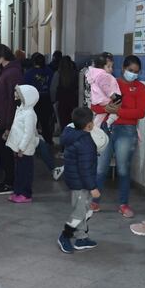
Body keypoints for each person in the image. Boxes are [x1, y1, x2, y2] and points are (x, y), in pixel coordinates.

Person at [92, 55, 145, 217]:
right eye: (130, 70)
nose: (133, 74)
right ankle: (94, 202)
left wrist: (119, 111)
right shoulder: (110, 82)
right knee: (100, 168)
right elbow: (95, 106)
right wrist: (108, 109)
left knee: (123, 169)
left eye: (136, 72)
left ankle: (123, 204)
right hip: (106, 127)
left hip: (127, 131)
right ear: (123, 68)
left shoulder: (140, 88)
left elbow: (140, 112)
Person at [57, 107, 100, 254]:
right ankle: (65, 235)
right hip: (81, 184)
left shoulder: (71, 134)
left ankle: (81, 237)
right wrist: (93, 187)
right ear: (89, 125)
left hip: (75, 180)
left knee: (84, 210)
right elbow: (85, 169)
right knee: (79, 212)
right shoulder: (85, 142)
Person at [0, 44, 24, 195]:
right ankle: (8, 180)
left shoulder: (13, 73)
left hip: (5, 121)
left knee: (6, 153)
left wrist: (9, 126)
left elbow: (14, 101)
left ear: (1, 56)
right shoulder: (5, 71)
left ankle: (10, 182)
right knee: (1, 151)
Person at [6, 85, 41, 203]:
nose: (15, 94)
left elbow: (28, 133)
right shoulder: (21, 109)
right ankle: (18, 191)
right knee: (19, 171)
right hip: (18, 148)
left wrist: (21, 148)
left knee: (25, 172)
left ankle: (26, 194)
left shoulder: (29, 114)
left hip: (25, 149)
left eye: (18, 93)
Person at [24, 52, 56, 147]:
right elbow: (52, 85)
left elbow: (25, 86)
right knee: (45, 122)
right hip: (46, 99)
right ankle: (48, 141)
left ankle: (32, 142)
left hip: (33, 100)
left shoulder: (29, 73)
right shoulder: (50, 71)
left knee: (32, 122)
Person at [86, 53, 122, 136]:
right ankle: (108, 123)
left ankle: (94, 130)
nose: (111, 69)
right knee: (116, 111)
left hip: (100, 101)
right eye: (108, 67)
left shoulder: (96, 75)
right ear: (101, 67)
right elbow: (106, 88)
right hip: (106, 100)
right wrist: (113, 96)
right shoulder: (103, 75)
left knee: (99, 119)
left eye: (111, 66)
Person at [51, 55, 79, 129]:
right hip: (73, 101)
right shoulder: (76, 74)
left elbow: (53, 88)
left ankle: (64, 136)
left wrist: (53, 100)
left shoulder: (58, 74)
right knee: (72, 121)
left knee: (63, 121)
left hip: (61, 101)